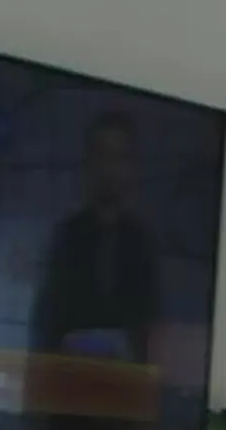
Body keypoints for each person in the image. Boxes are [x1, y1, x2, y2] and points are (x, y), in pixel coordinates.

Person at [28, 110, 163, 364]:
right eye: (102, 155)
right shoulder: (66, 238)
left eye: (120, 158)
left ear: (132, 168)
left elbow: (149, 334)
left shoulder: (142, 244)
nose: (109, 169)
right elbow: (45, 328)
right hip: (66, 388)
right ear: (88, 163)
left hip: (127, 391)